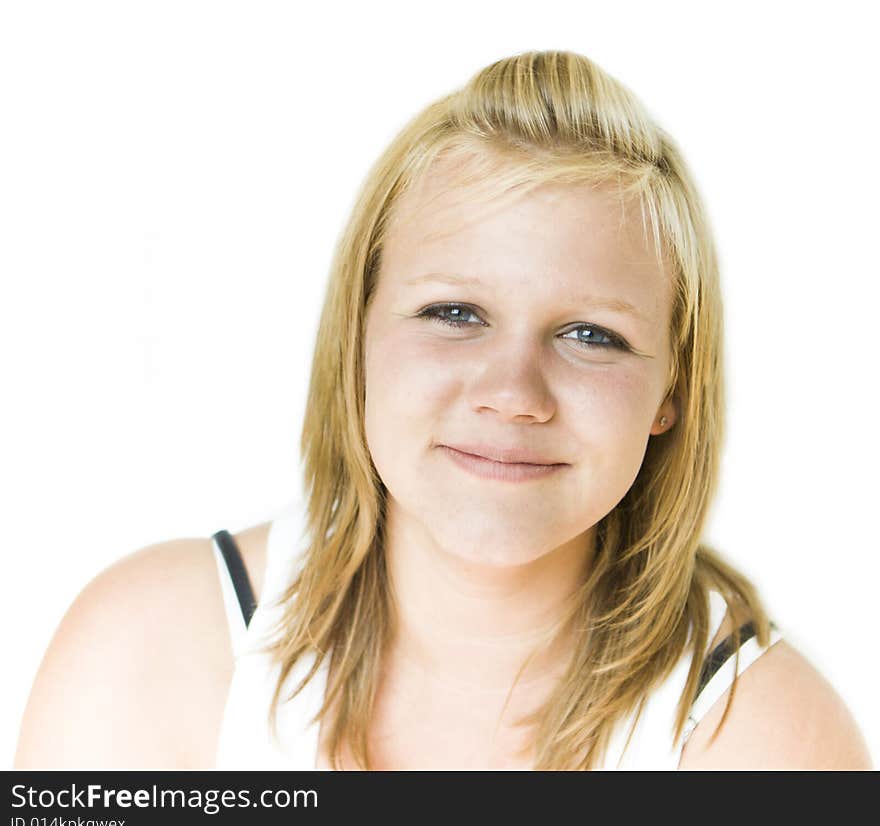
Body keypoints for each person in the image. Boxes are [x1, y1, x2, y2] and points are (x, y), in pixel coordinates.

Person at [14, 49, 871, 771]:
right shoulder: (146, 653)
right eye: (455, 314)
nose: (511, 392)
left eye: (590, 334)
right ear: (356, 335)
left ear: (671, 392)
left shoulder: (764, 742)